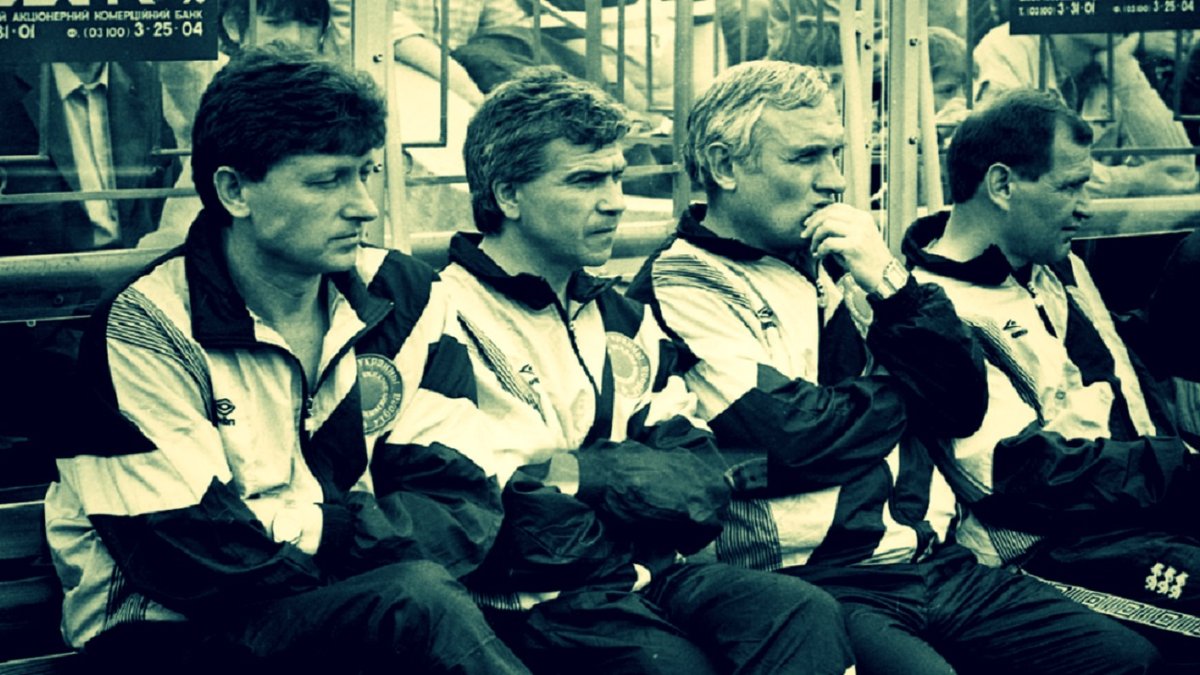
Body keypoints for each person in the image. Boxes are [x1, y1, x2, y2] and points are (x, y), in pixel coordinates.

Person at [627, 60, 1162, 674]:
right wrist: (907, 389)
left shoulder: (845, 261)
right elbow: (793, 436)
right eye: (806, 157)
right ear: (725, 167)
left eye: (835, 153)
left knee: (1126, 661)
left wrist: (891, 282)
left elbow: (961, 404)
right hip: (815, 577)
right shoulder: (683, 277)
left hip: (933, 560)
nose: (833, 180)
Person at [44, 44, 530, 675]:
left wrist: (307, 530)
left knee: (416, 604)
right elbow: (196, 557)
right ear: (234, 191)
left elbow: (459, 506)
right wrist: (355, 539)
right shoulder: (145, 326)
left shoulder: (405, 296)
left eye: (366, 172)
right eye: (327, 180)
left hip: (346, 613)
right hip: (167, 639)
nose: (364, 205)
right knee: (416, 604)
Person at [442, 66, 856, 675]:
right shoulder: (443, 314)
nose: (614, 201)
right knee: (673, 663)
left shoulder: (625, 318)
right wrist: (610, 478)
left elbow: (703, 479)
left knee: (801, 612)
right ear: (508, 195)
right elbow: (491, 506)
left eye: (617, 175)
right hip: (534, 603)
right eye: (586, 180)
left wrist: (582, 476)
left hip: (650, 577)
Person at [903, 87, 1200, 668]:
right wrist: (1183, 469)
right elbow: (1016, 474)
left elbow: (1113, 377)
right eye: (1070, 187)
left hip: (1143, 514)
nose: (1086, 208)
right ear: (1002, 185)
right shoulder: (934, 313)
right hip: (1048, 552)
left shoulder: (1056, 267)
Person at [0, 61, 179, 255]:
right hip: (37, 266)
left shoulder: (141, 77)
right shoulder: (8, 84)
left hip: (134, 262)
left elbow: (167, 176)